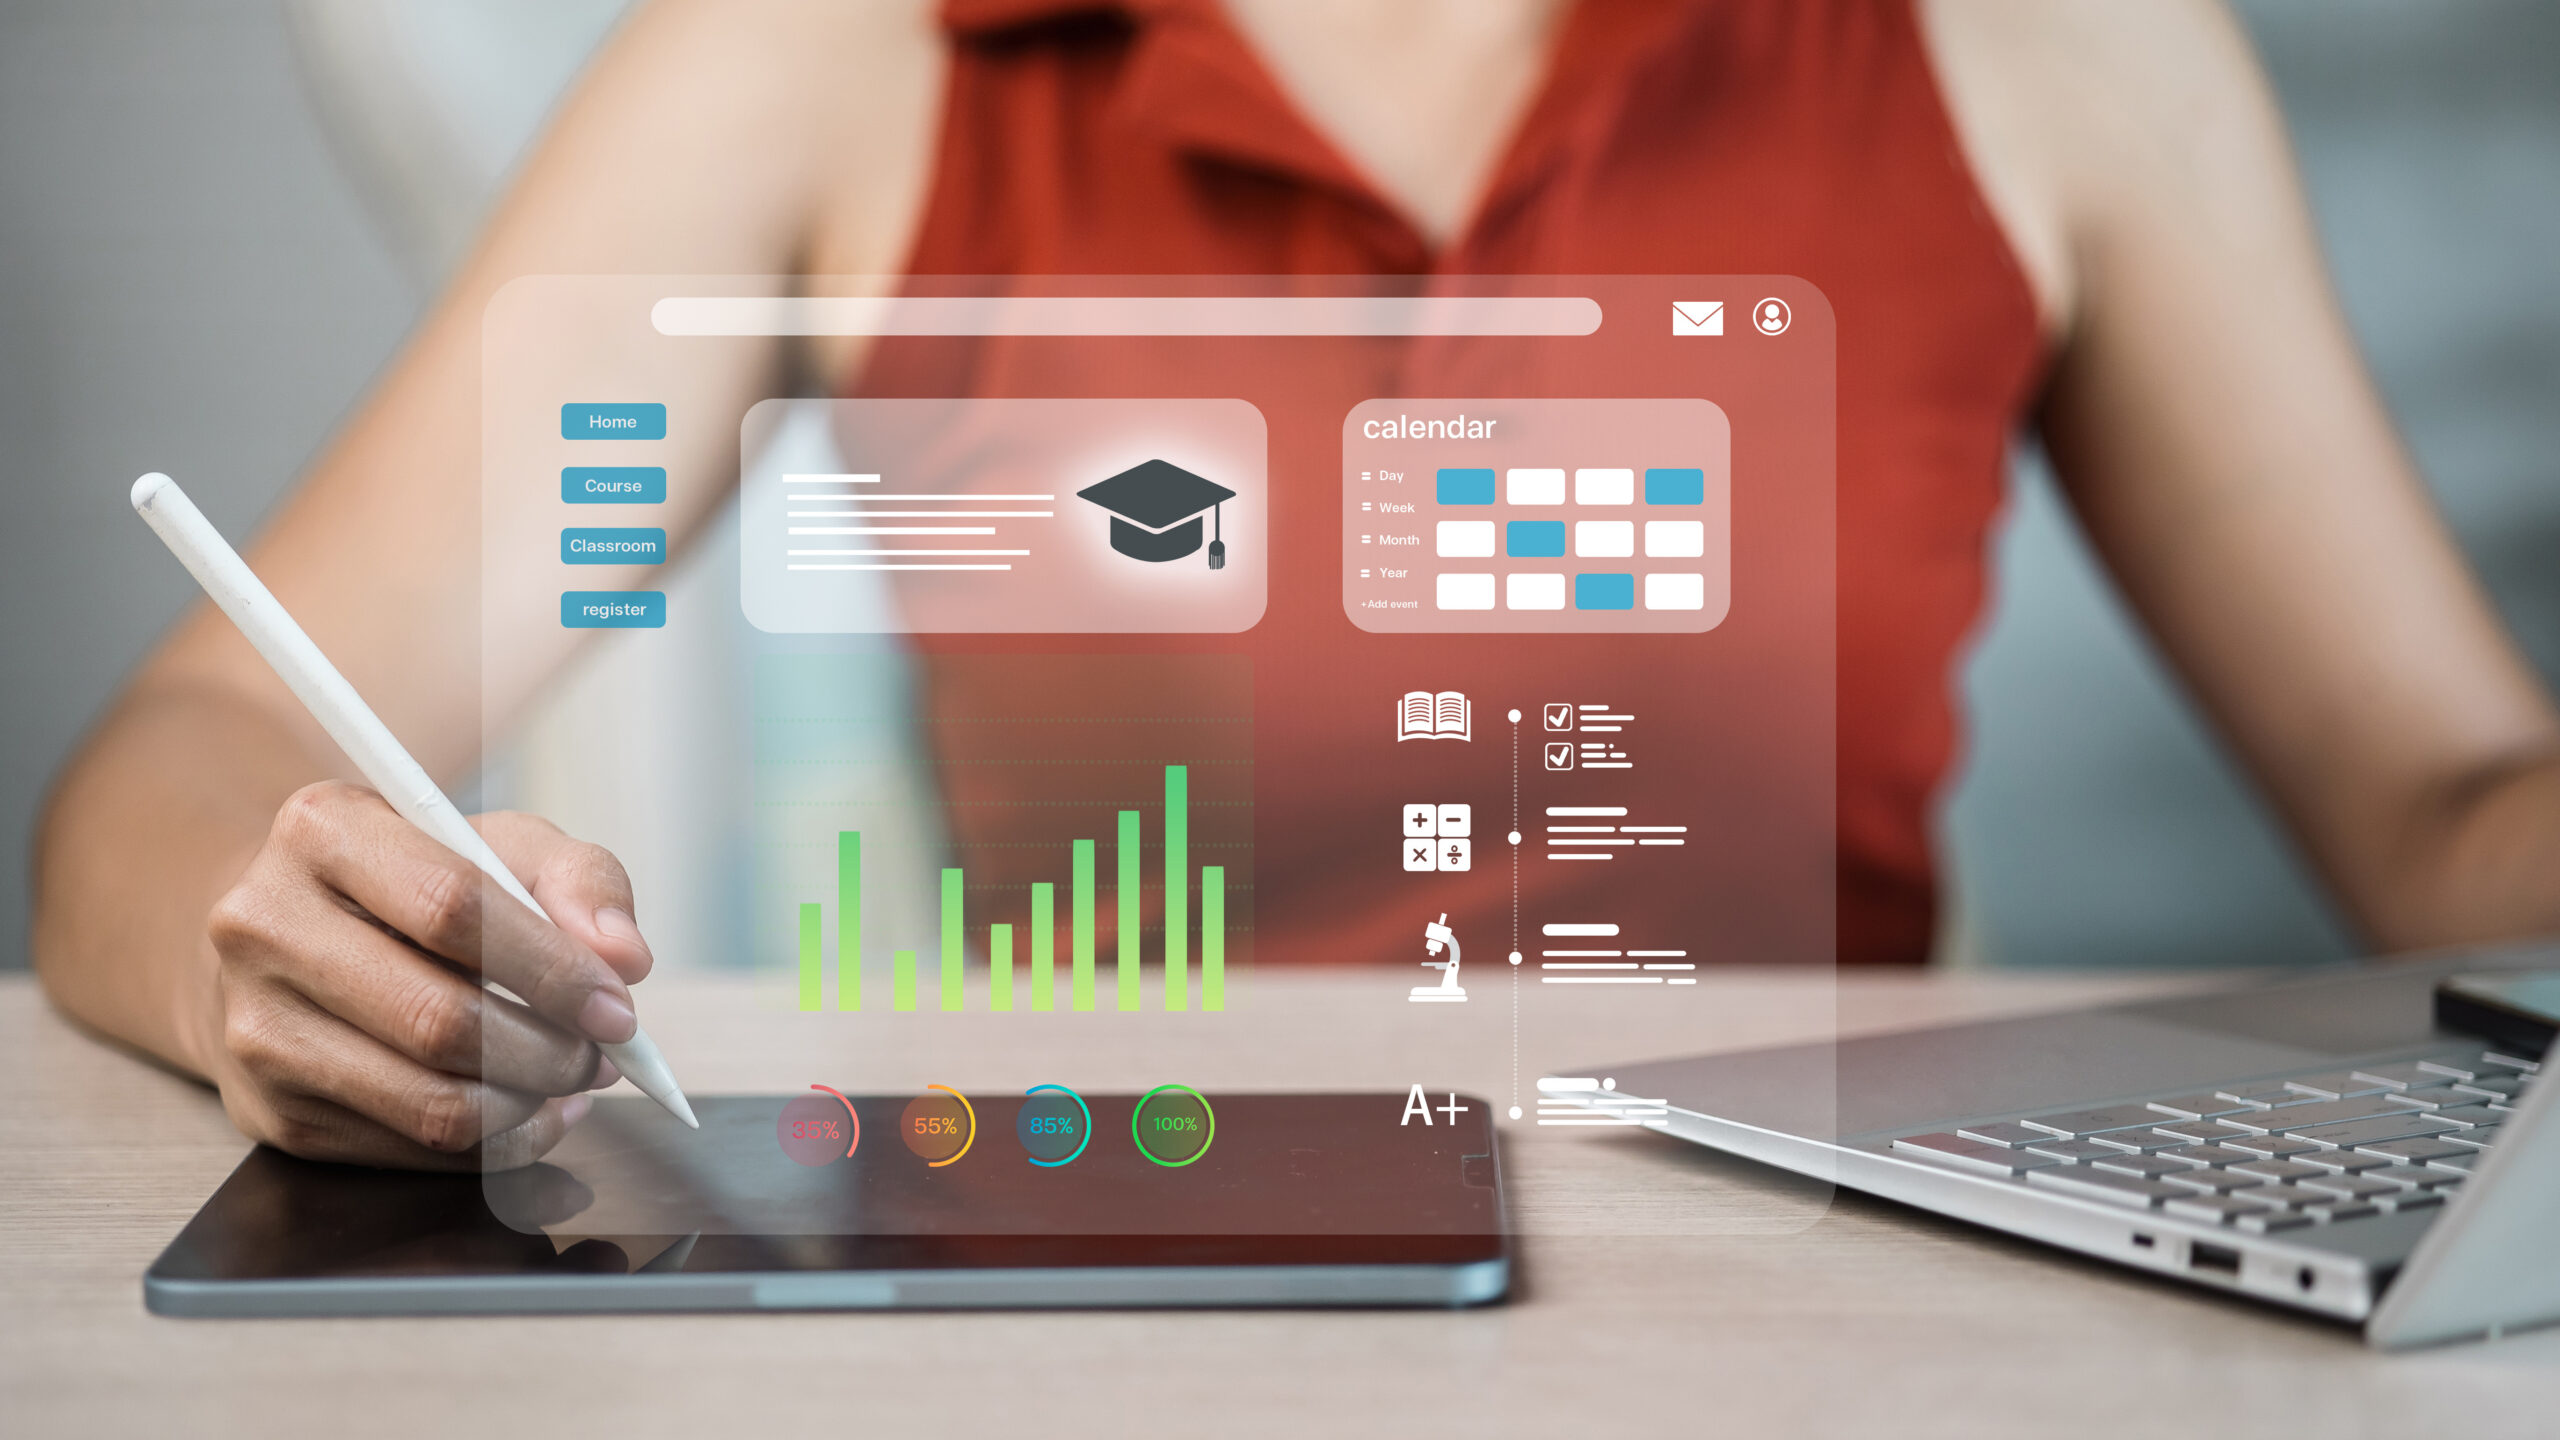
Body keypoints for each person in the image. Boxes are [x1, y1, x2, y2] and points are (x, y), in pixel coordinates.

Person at [33, 0, 2560, 1168]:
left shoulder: (2053, 59)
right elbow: (190, 759)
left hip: (1832, 1322)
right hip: (1117, 1293)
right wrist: (296, 952)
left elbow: (2445, 807)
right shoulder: (830, 66)